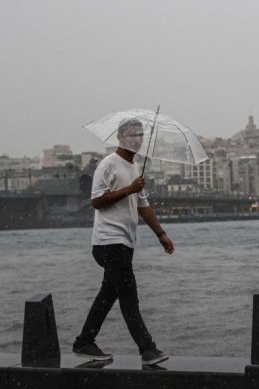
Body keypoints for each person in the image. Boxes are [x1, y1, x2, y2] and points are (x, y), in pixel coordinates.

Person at [72, 118, 175, 366]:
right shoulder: (108, 165)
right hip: (108, 242)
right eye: (131, 135)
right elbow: (96, 201)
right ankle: (147, 349)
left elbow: (143, 205)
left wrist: (161, 234)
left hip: (124, 243)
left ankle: (85, 342)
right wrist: (129, 189)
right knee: (129, 296)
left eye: (140, 135)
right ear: (119, 137)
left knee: (108, 295)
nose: (136, 139)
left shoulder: (136, 167)